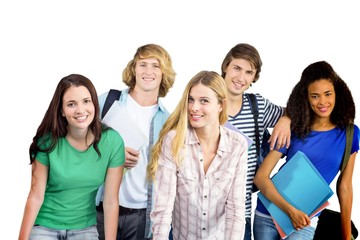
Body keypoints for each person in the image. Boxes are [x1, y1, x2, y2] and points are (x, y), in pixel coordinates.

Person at [253, 60, 358, 240]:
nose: (322, 102)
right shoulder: (294, 129)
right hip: (268, 215)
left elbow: (345, 186)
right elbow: (261, 178)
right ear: (306, 98)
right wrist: (290, 211)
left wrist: (346, 235)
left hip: (304, 221)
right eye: (315, 96)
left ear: (337, 94)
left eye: (328, 94)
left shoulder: (350, 134)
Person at [18, 74, 125, 240]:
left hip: (85, 228)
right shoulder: (47, 142)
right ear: (61, 110)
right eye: (71, 104)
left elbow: (111, 201)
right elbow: (35, 196)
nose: (80, 110)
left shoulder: (112, 142)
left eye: (86, 101)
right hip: (45, 226)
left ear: (95, 104)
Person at [148, 70, 248, 240]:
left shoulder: (237, 145)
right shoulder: (174, 140)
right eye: (191, 100)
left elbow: (236, 211)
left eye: (204, 101)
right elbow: (163, 208)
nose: (194, 107)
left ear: (221, 105)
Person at [95, 43, 176, 240]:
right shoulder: (107, 101)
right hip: (100, 208)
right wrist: (113, 157)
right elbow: (77, 144)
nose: (149, 71)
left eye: (156, 66)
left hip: (142, 214)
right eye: (143, 64)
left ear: (164, 73)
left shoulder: (169, 120)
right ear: (134, 68)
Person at [220, 43, 290, 240]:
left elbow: (297, 111)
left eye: (249, 72)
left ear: (254, 77)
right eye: (237, 68)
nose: (241, 78)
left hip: (240, 215)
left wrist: (285, 119)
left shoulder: (257, 106)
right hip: (201, 213)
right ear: (226, 66)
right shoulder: (206, 101)